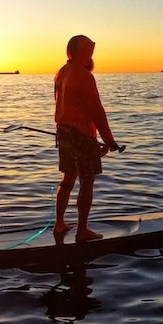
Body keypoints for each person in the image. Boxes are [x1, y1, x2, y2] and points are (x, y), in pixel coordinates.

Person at [53, 35, 121, 241]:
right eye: (90, 52)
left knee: (68, 178)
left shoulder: (61, 73)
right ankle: (82, 231)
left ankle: (59, 223)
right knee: (87, 181)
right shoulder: (84, 75)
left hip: (63, 132)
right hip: (81, 134)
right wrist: (109, 140)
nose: (92, 56)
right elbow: (96, 111)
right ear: (84, 53)